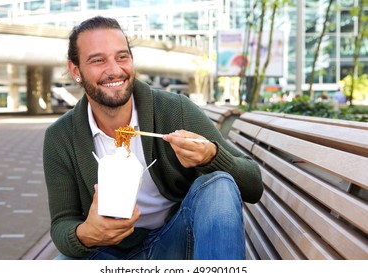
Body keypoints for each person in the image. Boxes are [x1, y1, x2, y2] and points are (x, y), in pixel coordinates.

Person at [43, 16, 263, 260]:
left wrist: (211, 156)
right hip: (107, 254)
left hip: (174, 243)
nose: (114, 70)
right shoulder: (60, 137)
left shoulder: (175, 111)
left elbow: (253, 186)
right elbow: (62, 222)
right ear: (76, 70)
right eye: (98, 60)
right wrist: (86, 234)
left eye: (122, 57)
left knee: (218, 184)